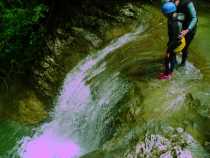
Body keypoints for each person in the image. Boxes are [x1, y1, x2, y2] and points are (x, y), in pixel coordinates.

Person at [159, 2, 186, 80]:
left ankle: (168, 74)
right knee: (170, 56)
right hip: (178, 40)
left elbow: (175, 40)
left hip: (178, 43)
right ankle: (169, 72)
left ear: (169, 14)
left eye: (165, 14)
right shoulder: (175, 16)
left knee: (168, 58)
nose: (164, 15)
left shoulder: (174, 24)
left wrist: (168, 50)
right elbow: (183, 16)